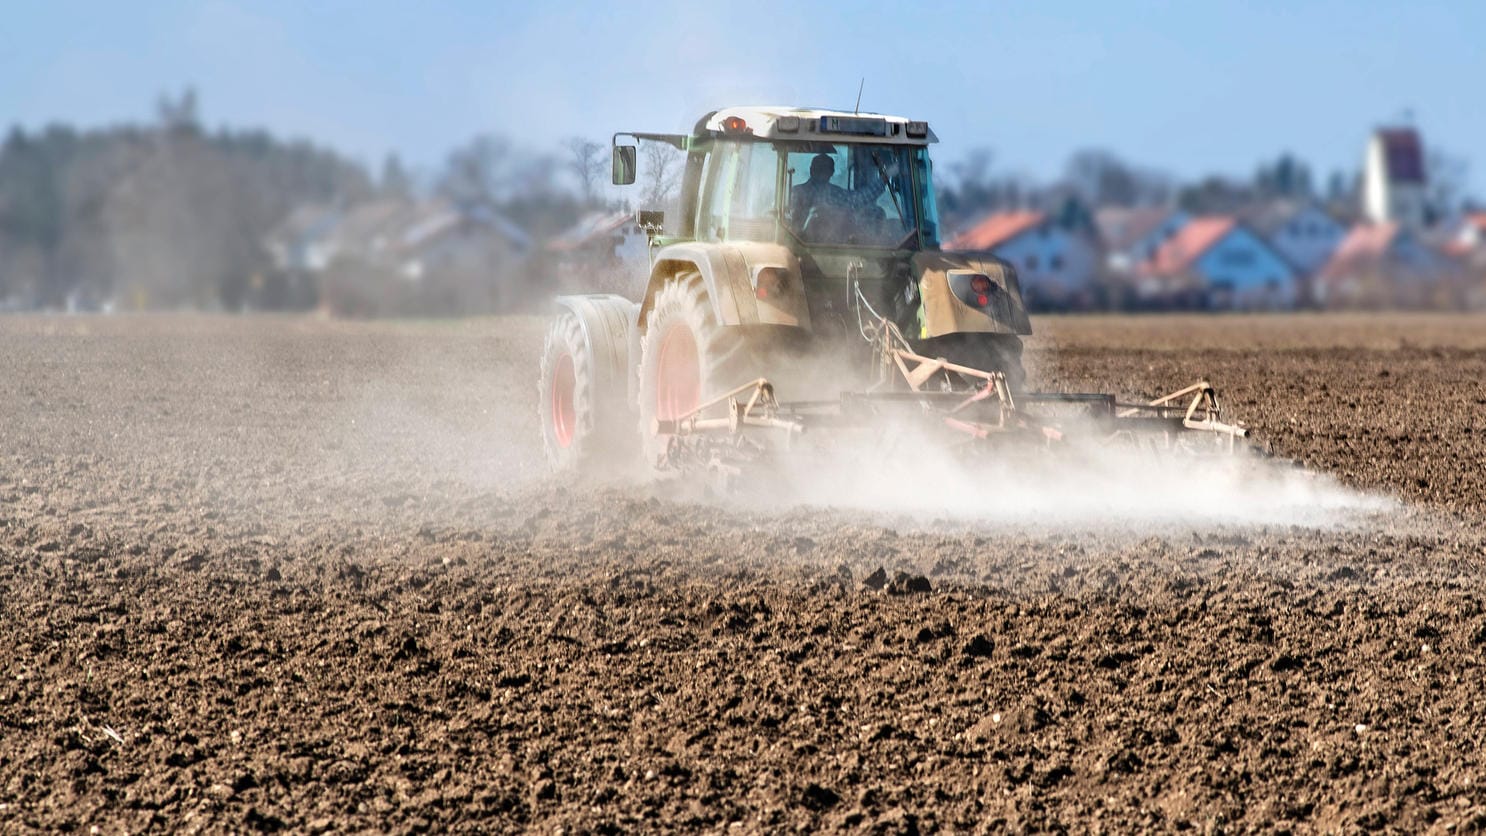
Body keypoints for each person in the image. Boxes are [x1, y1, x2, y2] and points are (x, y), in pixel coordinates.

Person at [789, 153, 848, 233]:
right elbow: (793, 224)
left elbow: (846, 222)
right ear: (811, 170)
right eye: (819, 169)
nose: (822, 173)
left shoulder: (839, 194)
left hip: (834, 241)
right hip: (801, 241)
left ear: (832, 172)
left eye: (825, 169)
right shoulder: (797, 192)